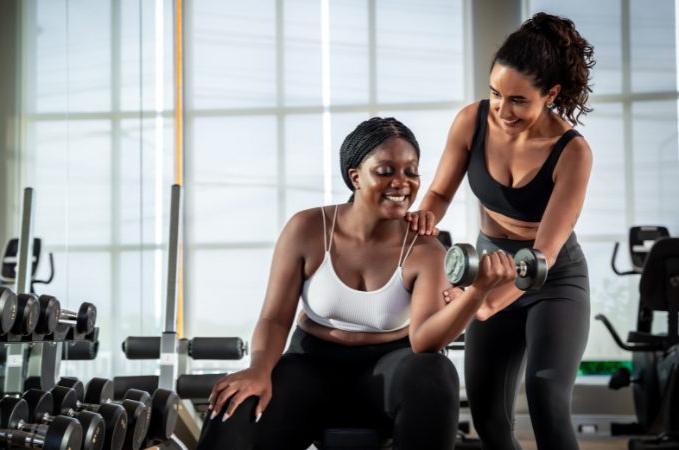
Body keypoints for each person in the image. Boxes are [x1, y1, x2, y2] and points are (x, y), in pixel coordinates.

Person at [196, 117, 516, 450]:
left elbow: (424, 342)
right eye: (385, 171)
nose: (401, 183)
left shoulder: (425, 248)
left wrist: (478, 292)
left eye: (411, 171)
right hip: (310, 367)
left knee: (435, 373)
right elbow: (275, 318)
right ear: (355, 177)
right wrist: (259, 369)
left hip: (391, 372)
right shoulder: (307, 229)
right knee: (234, 402)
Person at [407, 12, 595, 450]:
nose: (503, 111)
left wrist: (488, 301)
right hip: (489, 265)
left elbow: (541, 255)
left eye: (518, 101)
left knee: (546, 398)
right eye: (496, 94)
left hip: (552, 278)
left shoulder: (573, 152)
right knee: (489, 414)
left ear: (550, 94)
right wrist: (423, 219)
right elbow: (437, 193)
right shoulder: (471, 122)